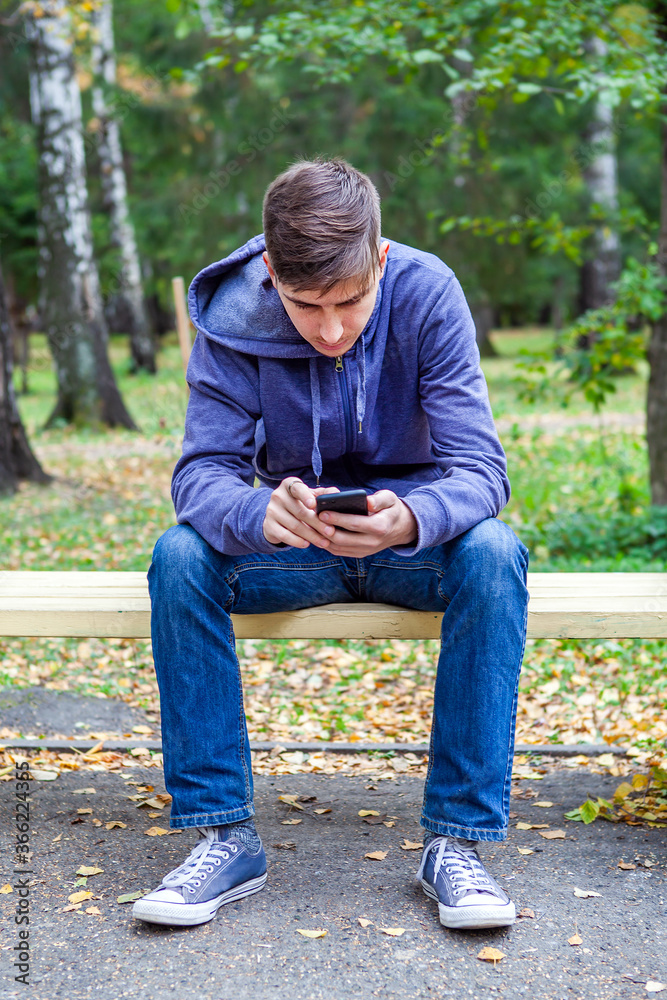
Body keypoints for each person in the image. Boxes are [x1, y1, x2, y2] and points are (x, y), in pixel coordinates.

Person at [132, 158, 529, 932]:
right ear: (269, 273)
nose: (332, 328)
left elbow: (482, 470)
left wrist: (411, 518)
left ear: (379, 260)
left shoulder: (426, 293)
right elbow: (201, 474)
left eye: (351, 300)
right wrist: (256, 516)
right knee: (179, 557)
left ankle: (457, 844)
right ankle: (222, 835)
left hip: (411, 543)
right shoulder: (231, 317)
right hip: (292, 548)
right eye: (306, 304)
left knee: (494, 552)